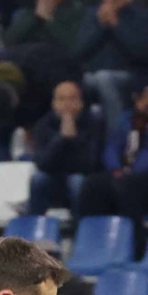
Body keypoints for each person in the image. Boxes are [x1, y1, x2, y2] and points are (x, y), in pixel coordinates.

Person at [75, 81, 148, 220]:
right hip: (123, 173)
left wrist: (132, 170)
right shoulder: (127, 119)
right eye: (144, 97)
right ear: (136, 100)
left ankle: (135, 231)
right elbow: (112, 146)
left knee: (126, 185)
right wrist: (116, 168)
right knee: (92, 184)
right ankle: (93, 231)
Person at [74, 0, 148, 135]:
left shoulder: (142, 16)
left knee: (104, 78)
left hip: (129, 74)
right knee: (68, 85)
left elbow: (143, 52)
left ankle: (118, 135)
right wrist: (101, 27)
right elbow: (79, 52)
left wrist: (116, 25)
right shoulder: (91, 16)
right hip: (91, 75)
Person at [27, 80, 106, 214]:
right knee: (38, 179)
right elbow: (42, 163)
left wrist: (73, 139)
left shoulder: (94, 124)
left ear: (81, 103)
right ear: (54, 103)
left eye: (72, 98)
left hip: (85, 179)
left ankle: (80, 225)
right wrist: (61, 139)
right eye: (62, 99)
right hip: (54, 179)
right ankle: (34, 223)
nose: (67, 104)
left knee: (77, 181)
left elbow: (91, 164)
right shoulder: (43, 125)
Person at [6, 0, 89, 55]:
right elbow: (9, 41)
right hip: (28, 57)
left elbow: (74, 45)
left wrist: (48, 19)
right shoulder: (28, 11)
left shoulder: (77, 10)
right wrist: (36, 17)